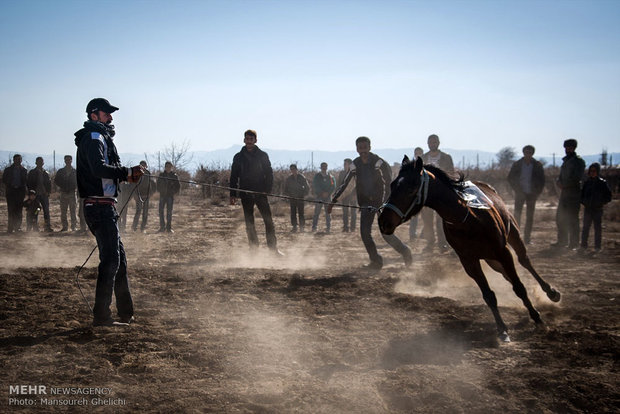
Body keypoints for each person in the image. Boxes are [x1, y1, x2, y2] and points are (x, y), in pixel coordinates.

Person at [74, 97, 144, 326]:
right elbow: (97, 168)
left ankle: (126, 313)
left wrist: (126, 174)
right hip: (98, 207)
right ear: (94, 115)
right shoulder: (94, 138)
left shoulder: (99, 137)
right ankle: (102, 316)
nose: (111, 117)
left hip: (104, 207)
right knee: (111, 260)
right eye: (106, 113)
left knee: (119, 261)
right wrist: (126, 172)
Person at [329, 136, 412, 269]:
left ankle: (406, 252)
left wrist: (384, 204)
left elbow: (388, 183)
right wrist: (333, 200)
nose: (363, 151)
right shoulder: (355, 164)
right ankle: (376, 261)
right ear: (357, 149)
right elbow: (346, 183)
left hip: (381, 204)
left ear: (370, 147)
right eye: (360, 148)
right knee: (364, 233)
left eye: (365, 147)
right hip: (366, 204)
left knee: (386, 234)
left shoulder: (379, 162)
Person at [230, 129, 282, 255]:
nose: (249, 141)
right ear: (244, 140)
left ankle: (273, 249)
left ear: (255, 140)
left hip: (261, 193)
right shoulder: (238, 157)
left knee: (268, 221)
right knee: (249, 223)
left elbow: (269, 173)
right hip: (245, 193)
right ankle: (253, 250)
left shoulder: (262, 155)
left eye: (251, 139)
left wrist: (267, 190)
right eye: (247, 139)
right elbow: (234, 176)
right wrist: (232, 194)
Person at [421, 134, 454, 252]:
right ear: (427, 143)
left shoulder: (446, 157)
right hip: (427, 194)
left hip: (441, 194)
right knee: (427, 220)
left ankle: (443, 243)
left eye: (434, 142)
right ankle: (430, 243)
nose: (432, 144)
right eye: (430, 142)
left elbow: (451, 174)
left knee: (441, 220)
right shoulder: (422, 158)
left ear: (438, 143)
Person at [507, 145, 546, 244]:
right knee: (517, 216)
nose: (528, 154)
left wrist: (537, 192)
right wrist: (517, 190)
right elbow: (510, 178)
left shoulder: (537, 165)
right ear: (523, 153)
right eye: (526, 152)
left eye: (530, 152)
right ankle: (516, 238)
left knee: (530, 216)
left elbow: (542, 180)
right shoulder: (517, 164)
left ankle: (527, 239)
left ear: (532, 153)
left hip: (532, 194)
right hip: (520, 193)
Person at [552, 139, 586, 250]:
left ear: (574, 148)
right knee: (560, 218)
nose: (568, 149)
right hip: (564, 194)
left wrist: (564, 185)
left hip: (574, 194)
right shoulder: (566, 161)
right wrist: (558, 181)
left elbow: (577, 178)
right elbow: (562, 176)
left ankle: (574, 243)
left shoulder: (578, 161)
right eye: (566, 147)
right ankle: (562, 241)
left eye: (570, 147)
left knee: (572, 219)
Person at [580, 163, 612, 252]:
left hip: (597, 209)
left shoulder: (602, 183)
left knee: (597, 229)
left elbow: (608, 196)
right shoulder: (587, 183)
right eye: (591, 171)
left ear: (597, 172)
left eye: (594, 171)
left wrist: (601, 203)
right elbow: (581, 195)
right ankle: (583, 246)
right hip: (588, 209)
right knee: (585, 228)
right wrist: (584, 202)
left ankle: (597, 247)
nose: (592, 173)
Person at [2, 154, 28, 233]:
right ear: (13, 160)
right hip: (11, 192)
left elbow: (26, 181)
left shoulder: (24, 170)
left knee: (19, 210)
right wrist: (10, 185)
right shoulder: (8, 170)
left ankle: (18, 227)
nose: (18, 161)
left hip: (20, 192)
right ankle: (10, 228)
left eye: (19, 159)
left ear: (21, 160)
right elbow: (3, 180)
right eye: (17, 159)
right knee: (11, 210)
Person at [27, 157, 53, 232]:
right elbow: (29, 183)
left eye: (41, 162)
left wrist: (48, 192)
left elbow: (49, 183)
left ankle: (47, 227)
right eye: (38, 162)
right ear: (36, 163)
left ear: (43, 163)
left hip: (44, 195)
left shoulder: (46, 173)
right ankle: (35, 227)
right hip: (36, 196)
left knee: (46, 211)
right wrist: (31, 193)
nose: (40, 163)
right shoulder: (32, 172)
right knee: (36, 211)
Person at [54, 155, 78, 232]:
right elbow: (56, 180)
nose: (68, 161)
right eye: (66, 160)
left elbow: (78, 181)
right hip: (63, 193)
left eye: (69, 160)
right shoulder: (61, 171)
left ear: (71, 160)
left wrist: (74, 187)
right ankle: (65, 227)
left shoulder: (75, 171)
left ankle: (73, 226)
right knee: (63, 211)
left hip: (72, 193)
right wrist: (61, 186)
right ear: (64, 161)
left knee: (73, 211)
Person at [283, 164, 309, 232]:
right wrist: (289, 195)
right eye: (291, 169)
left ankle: (302, 227)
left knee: (301, 212)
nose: (293, 170)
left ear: (296, 169)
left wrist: (303, 194)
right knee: (293, 212)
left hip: (300, 198)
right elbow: (285, 189)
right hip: (292, 198)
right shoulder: (289, 179)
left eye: (294, 169)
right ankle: (294, 227)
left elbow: (307, 187)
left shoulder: (302, 177)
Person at [312, 162, 336, 233]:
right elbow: (315, 185)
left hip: (328, 196)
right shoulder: (317, 176)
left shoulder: (331, 177)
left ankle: (328, 228)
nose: (324, 168)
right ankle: (314, 227)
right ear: (320, 167)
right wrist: (321, 192)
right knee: (317, 212)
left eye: (325, 166)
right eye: (323, 166)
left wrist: (328, 193)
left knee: (328, 212)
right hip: (319, 196)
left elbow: (333, 186)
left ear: (327, 167)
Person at [157, 161, 180, 233]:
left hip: (170, 196)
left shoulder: (174, 176)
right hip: (162, 196)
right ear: (165, 167)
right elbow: (157, 185)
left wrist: (173, 192)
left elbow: (178, 186)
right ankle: (162, 227)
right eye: (167, 166)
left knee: (169, 212)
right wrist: (161, 191)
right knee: (161, 212)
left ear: (171, 167)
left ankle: (169, 228)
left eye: (169, 167)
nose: (168, 168)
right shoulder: (161, 175)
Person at [132, 160, 153, 233]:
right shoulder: (136, 173)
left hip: (146, 195)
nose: (143, 167)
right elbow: (133, 185)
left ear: (146, 166)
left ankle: (142, 228)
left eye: (144, 165)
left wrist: (150, 193)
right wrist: (135, 195)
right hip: (138, 195)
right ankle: (134, 227)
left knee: (145, 212)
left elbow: (151, 185)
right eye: (141, 165)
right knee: (138, 211)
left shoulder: (148, 173)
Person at [408, 147, 424, 241]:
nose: (418, 155)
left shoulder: (424, 164)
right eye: (416, 153)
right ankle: (412, 234)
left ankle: (424, 233)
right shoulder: (411, 165)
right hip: (415, 194)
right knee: (414, 216)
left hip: (425, 193)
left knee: (427, 217)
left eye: (420, 153)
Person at [338, 158, 357, 233]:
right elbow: (340, 184)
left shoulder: (354, 173)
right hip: (344, 195)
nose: (344, 165)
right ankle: (345, 227)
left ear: (349, 165)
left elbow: (357, 184)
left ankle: (353, 228)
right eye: (344, 164)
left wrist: (355, 194)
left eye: (345, 164)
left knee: (353, 212)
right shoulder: (342, 173)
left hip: (352, 195)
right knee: (345, 212)